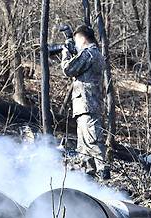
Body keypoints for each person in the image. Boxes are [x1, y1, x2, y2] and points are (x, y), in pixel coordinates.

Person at [60, 25, 110, 180]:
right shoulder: (92, 54)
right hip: (86, 106)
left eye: (76, 40)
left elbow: (69, 68)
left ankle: (103, 173)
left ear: (82, 38)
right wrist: (69, 41)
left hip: (88, 105)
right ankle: (88, 178)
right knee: (83, 148)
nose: (76, 44)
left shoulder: (89, 54)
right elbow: (79, 62)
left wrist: (65, 54)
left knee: (93, 142)